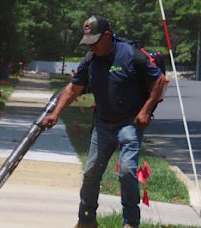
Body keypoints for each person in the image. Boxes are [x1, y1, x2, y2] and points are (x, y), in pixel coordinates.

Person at [41, 15, 166, 228]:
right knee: (91, 172)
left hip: (129, 123)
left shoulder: (131, 56)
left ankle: (130, 223)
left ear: (107, 36)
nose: (91, 47)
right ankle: (87, 220)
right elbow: (73, 88)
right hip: (103, 124)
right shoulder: (90, 60)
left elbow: (159, 81)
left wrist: (145, 111)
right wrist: (56, 113)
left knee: (127, 171)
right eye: (88, 42)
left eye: (95, 42)